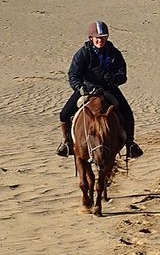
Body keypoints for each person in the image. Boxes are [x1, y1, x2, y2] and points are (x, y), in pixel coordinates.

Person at [57, 19, 143, 159]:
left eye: (103, 38)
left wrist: (114, 79)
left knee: (128, 114)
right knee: (64, 114)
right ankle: (66, 143)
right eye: (97, 38)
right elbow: (73, 75)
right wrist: (80, 88)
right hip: (86, 89)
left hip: (108, 89)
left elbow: (122, 74)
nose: (100, 41)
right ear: (91, 38)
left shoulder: (114, 53)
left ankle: (130, 145)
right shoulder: (82, 54)